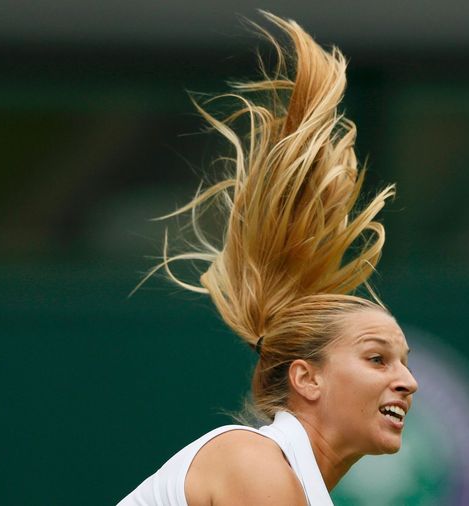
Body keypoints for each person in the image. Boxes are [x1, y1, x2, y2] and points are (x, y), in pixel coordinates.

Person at [118, 11, 418, 506]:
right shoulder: (253, 461)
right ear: (307, 379)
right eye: (377, 359)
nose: (407, 381)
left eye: (402, 363)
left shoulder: (286, 480)